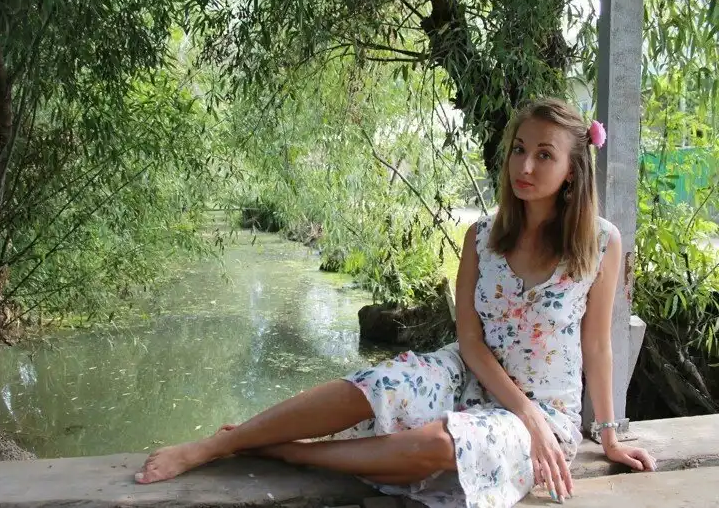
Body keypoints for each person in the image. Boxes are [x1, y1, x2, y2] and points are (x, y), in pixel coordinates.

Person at [134, 98, 656, 507]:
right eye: (519, 149)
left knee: (442, 446)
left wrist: (607, 437)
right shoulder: (482, 236)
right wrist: (518, 406)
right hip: (469, 373)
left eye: (544, 154)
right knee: (380, 384)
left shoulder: (600, 243)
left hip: (544, 414)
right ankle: (217, 444)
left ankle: (291, 453)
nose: (525, 164)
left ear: (572, 170)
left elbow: (597, 347)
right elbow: (470, 341)